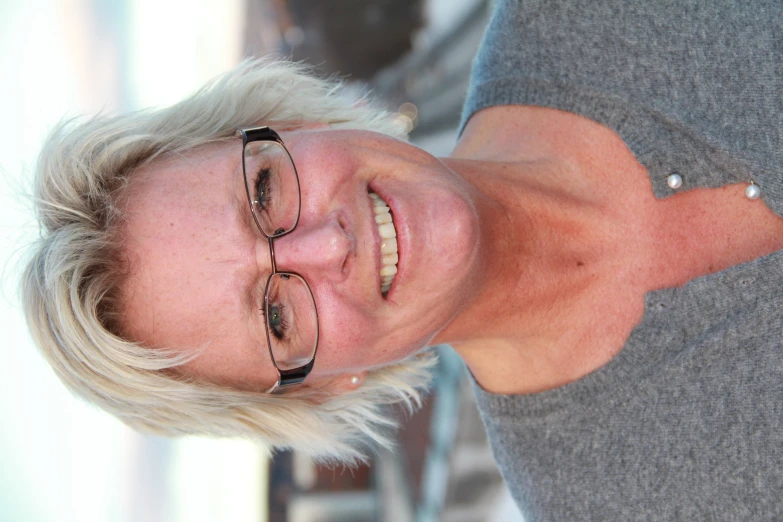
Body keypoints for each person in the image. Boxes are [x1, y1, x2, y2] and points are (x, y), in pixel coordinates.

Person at [22, 0, 783, 519]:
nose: (325, 245)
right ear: (320, 390)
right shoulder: (628, 504)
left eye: (263, 190)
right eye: (278, 314)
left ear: (290, 120)